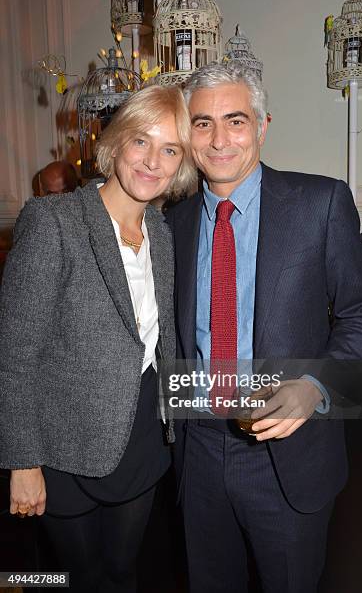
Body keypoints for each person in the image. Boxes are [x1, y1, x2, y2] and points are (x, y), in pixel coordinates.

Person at [165, 62, 362, 593]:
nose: (219, 140)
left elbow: (360, 314)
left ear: (261, 127)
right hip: (197, 453)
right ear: (187, 135)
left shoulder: (321, 202)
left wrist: (315, 386)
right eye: (202, 123)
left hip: (289, 458)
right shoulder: (172, 222)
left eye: (235, 120)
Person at [0, 85, 194, 592]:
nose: (153, 161)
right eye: (141, 142)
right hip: (64, 450)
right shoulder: (54, 222)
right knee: (77, 580)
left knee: (124, 572)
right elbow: (15, 355)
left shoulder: (164, 231)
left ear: (181, 163)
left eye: (170, 149)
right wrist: (23, 462)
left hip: (141, 443)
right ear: (115, 144)